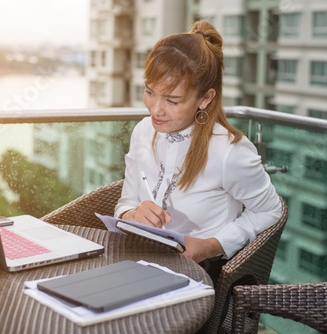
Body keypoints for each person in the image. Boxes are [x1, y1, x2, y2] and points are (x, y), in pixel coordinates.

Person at [114, 20, 282, 283]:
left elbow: (270, 211)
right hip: (140, 260)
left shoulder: (230, 151)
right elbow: (126, 201)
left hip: (200, 274)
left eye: (172, 100)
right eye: (149, 92)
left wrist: (210, 246)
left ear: (205, 99)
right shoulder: (143, 132)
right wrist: (131, 214)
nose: (155, 110)